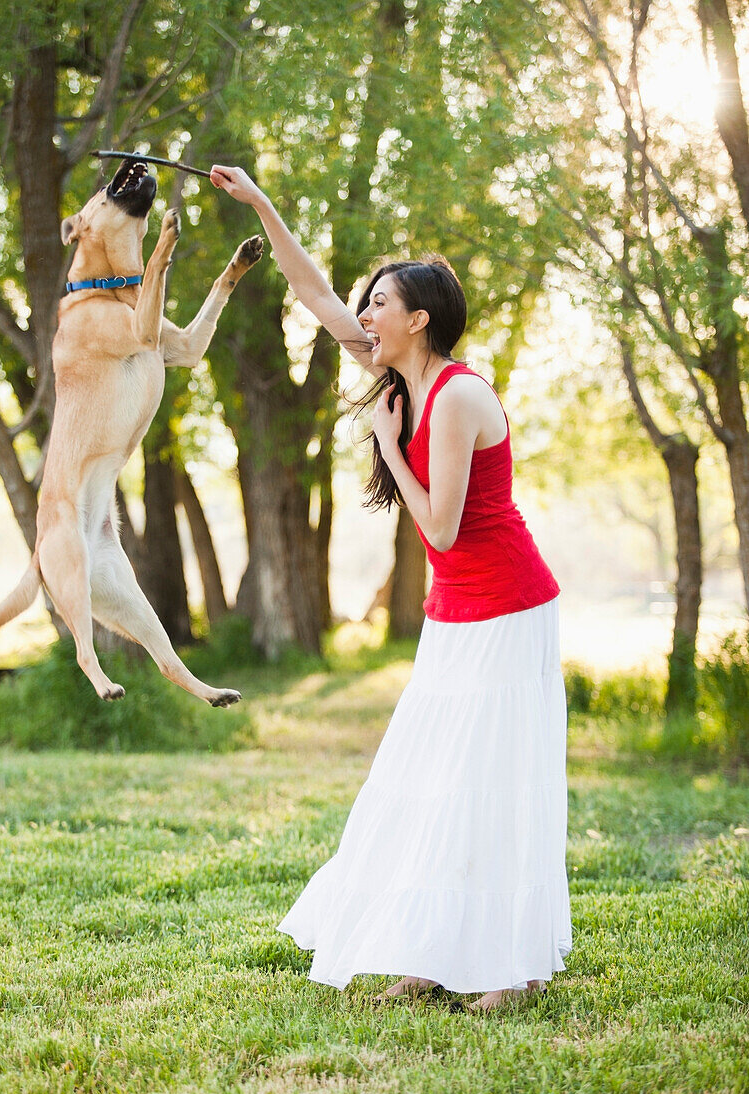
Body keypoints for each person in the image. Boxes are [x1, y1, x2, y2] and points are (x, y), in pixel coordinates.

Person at [209, 165, 572, 1011]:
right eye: (364, 303)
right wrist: (261, 201)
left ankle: (510, 968)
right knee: (434, 775)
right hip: (458, 608)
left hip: (510, 607)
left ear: (419, 321)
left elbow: (440, 528)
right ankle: (432, 953)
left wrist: (384, 435)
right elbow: (311, 293)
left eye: (379, 302)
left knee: (491, 779)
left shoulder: (451, 396)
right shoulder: (398, 371)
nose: (363, 312)